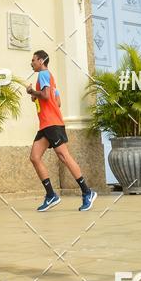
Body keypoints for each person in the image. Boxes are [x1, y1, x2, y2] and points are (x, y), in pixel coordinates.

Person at [27, 50, 96, 212]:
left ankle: (87, 192)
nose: (31, 63)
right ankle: (51, 195)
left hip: (52, 124)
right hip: (46, 125)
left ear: (41, 61)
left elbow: (46, 96)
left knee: (64, 156)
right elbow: (57, 102)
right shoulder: (50, 79)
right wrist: (37, 96)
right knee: (35, 157)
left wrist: (33, 92)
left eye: (33, 60)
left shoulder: (43, 74)